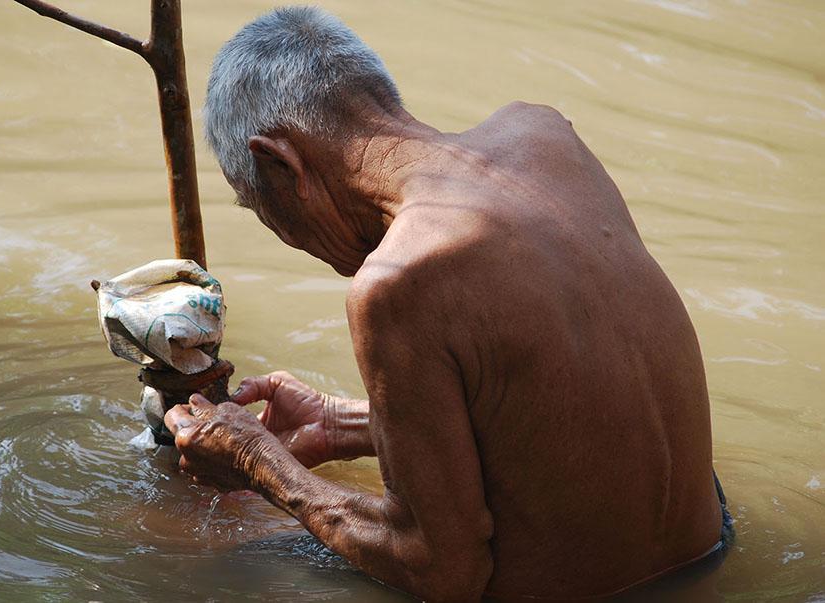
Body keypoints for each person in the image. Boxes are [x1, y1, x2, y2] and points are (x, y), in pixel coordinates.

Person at [164, 6, 731, 600]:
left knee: (196, 560)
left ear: (281, 165)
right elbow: (563, 397)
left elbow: (441, 571)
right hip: (711, 557)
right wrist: (349, 422)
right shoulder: (545, 135)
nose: (289, 237)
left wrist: (262, 464)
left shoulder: (397, 281)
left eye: (262, 209)